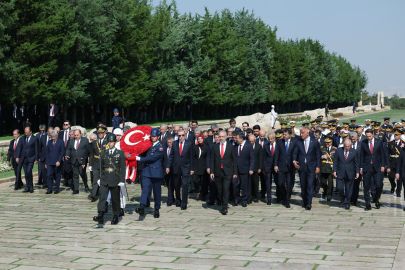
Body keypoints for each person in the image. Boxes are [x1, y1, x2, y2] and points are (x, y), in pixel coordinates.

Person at [93, 134, 126, 225]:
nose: (110, 143)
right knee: (102, 197)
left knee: (115, 199)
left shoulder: (120, 153)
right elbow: (101, 166)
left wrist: (122, 180)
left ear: (115, 142)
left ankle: (115, 215)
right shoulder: (104, 152)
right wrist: (99, 178)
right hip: (104, 178)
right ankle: (100, 215)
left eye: (111, 142)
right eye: (109, 142)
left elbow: (122, 168)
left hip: (115, 178)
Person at [135, 128, 166, 218]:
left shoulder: (160, 147)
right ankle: (142, 206)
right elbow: (142, 152)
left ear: (158, 137)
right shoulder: (147, 145)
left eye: (154, 136)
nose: (152, 138)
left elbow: (152, 158)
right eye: (152, 136)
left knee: (156, 192)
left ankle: (156, 209)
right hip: (147, 171)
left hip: (156, 172)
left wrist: (139, 159)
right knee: (145, 189)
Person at [210, 130, 237, 215]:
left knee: (226, 188)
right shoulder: (215, 147)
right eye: (219, 137)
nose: (221, 138)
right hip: (218, 171)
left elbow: (234, 160)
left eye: (222, 136)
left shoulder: (231, 146)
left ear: (226, 137)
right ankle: (222, 201)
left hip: (228, 171)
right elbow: (212, 160)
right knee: (220, 190)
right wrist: (211, 171)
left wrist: (235, 172)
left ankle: (224, 207)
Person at [293, 127, 321, 210]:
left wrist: (318, 166)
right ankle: (305, 201)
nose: (301, 135)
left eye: (302, 133)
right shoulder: (299, 142)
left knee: (310, 185)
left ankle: (309, 202)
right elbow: (295, 153)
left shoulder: (314, 142)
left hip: (311, 167)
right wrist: (294, 161)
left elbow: (318, 155)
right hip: (302, 167)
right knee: (303, 185)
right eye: (300, 133)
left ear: (307, 133)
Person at [360, 129, 386, 210]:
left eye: (370, 136)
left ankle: (377, 199)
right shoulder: (363, 143)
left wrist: (383, 165)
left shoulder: (379, 142)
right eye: (367, 136)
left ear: (373, 134)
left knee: (379, 185)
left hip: (377, 166)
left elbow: (382, 154)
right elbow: (361, 156)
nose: (368, 138)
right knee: (366, 186)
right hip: (367, 167)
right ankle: (367, 203)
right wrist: (361, 167)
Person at [274, 129, 297, 208]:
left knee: (289, 184)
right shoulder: (280, 142)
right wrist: (276, 165)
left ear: (290, 135)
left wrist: (296, 164)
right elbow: (277, 154)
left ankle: (287, 200)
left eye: (285, 134)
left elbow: (297, 153)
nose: (283, 136)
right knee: (280, 183)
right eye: (283, 134)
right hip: (281, 166)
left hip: (291, 166)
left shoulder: (294, 141)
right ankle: (283, 196)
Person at [333, 140, 359, 210]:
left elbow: (356, 163)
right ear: (343, 146)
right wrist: (334, 171)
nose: (347, 148)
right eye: (346, 146)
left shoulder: (354, 151)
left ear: (350, 146)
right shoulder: (339, 150)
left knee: (349, 189)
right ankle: (342, 199)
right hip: (340, 172)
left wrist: (357, 172)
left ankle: (347, 203)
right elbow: (335, 161)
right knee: (339, 188)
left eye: (348, 146)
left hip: (350, 173)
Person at [171, 130, 194, 210]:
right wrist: (168, 167)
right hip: (176, 167)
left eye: (182, 135)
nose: (181, 137)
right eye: (179, 135)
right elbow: (171, 156)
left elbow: (191, 157)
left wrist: (192, 168)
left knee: (184, 185)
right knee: (176, 185)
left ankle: (184, 203)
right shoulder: (174, 143)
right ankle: (178, 199)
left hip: (186, 167)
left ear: (185, 135)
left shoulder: (189, 143)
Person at [65, 129, 91, 194]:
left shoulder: (85, 141)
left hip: (82, 161)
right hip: (74, 160)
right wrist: (67, 155)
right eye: (75, 135)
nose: (76, 136)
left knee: (82, 174)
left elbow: (88, 151)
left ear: (81, 134)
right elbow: (68, 149)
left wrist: (85, 159)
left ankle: (86, 185)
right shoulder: (71, 141)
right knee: (75, 175)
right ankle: (76, 189)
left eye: (77, 135)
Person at [15, 126, 39, 193]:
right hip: (24, 158)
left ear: (31, 132)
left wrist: (36, 158)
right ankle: (28, 187)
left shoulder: (35, 139)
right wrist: (17, 157)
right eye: (25, 132)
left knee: (29, 171)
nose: (26, 134)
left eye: (27, 132)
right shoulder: (22, 138)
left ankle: (31, 187)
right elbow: (19, 148)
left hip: (31, 158)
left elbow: (37, 149)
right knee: (26, 173)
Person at [233, 132, 254, 207]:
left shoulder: (248, 146)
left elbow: (252, 159)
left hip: (245, 169)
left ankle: (245, 200)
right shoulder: (235, 146)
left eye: (237, 138)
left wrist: (251, 168)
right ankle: (236, 199)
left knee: (244, 186)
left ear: (241, 138)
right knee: (235, 184)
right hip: (236, 170)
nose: (235, 139)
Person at [88, 126, 108, 202]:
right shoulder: (94, 142)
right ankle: (93, 195)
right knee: (95, 179)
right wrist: (90, 164)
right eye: (99, 133)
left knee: (104, 179)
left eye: (101, 133)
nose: (100, 134)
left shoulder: (107, 142)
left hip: (104, 163)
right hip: (96, 163)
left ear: (104, 133)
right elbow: (91, 154)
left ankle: (104, 195)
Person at [192, 134, 208, 200]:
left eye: (201, 138)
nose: (200, 140)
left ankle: (203, 195)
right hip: (196, 167)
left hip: (204, 167)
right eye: (199, 139)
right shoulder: (195, 147)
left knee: (204, 182)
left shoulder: (206, 147)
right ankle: (198, 191)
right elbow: (193, 157)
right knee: (194, 180)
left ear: (203, 139)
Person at [320, 135, 336, 202]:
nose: (327, 144)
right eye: (326, 142)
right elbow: (317, 156)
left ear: (331, 142)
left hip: (330, 168)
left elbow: (336, 159)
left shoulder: (335, 149)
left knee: (330, 183)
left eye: (328, 142)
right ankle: (326, 191)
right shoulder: (321, 148)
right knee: (323, 182)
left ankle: (329, 195)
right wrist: (322, 156)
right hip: (323, 167)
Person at [387, 130, 404, 196]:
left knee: (399, 178)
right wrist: (387, 165)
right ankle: (393, 185)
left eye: (397, 135)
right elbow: (387, 154)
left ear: (400, 136)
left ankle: (398, 191)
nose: (395, 136)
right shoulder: (390, 143)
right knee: (390, 176)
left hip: (400, 163)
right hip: (392, 162)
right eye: (395, 134)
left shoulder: (403, 143)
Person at [248, 134, 262, 203]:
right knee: (249, 184)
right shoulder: (246, 146)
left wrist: (260, 167)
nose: (251, 143)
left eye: (252, 141)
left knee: (255, 183)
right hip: (248, 168)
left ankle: (256, 197)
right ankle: (250, 197)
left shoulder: (258, 146)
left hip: (256, 168)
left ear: (255, 141)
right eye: (250, 141)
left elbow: (260, 158)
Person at [262, 132, 275, 205]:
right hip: (268, 167)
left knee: (278, 182)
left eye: (271, 139)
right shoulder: (266, 146)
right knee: (268, 182)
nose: (270, 140)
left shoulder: (278, 145)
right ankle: (269, 198)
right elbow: (264, 158)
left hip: (276, 167)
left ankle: (279, 196)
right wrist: (264, 168)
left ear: (274, 138)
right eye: (269, 139)